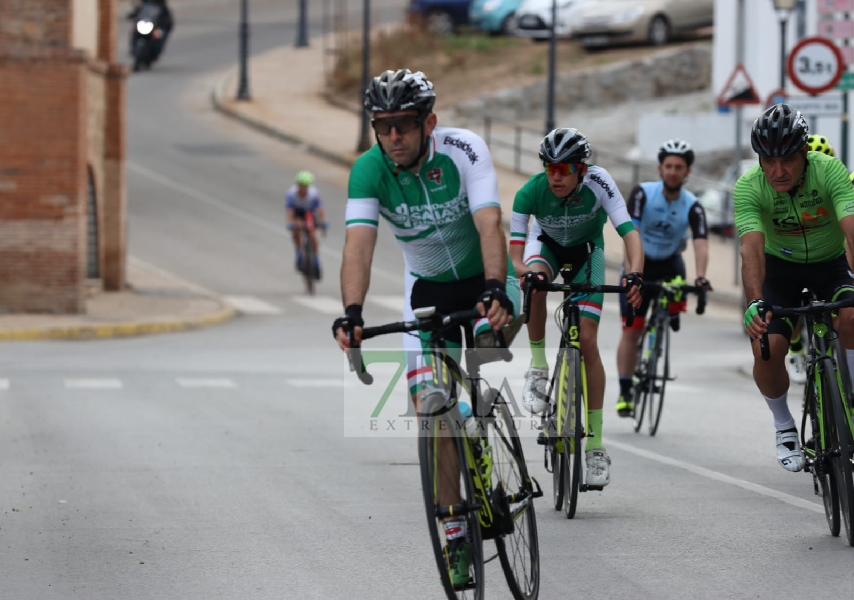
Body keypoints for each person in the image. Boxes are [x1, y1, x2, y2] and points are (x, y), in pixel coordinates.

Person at [331, 69, 522, 587]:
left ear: (428, 122)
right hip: (429, 291)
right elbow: (358, 245)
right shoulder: (368, 171)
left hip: (487, 279)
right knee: (431, 410)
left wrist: (495, 288)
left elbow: (489, 224)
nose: (394, 136)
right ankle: (456, 531)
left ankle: (488, 431)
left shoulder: (464, 150)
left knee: (486, 343)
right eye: (383, 125)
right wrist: (352, 312)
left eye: (404, 125)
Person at [509, 127, 644, 489]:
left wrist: (634, 275)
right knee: (535, 284)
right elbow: (514, 257)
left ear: (582, 170)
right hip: (546, 247)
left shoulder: (600, 182)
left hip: (588, 254)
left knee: (587, 342)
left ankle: (596, 448)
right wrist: (525, 275)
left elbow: (629, 233)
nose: (555, 176)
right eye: (550, 167)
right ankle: (538, 368)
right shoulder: (530, 192)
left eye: (564, 169)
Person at [738, 103, 854, 473]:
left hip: (831, 264)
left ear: (804, 152)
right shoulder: (749, 187)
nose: (778, 171)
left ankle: (850, 397)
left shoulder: (830, 171)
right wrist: (755, 301)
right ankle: (784, 425)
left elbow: (852, 230)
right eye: (768, 161)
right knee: (767, 348)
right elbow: (751, 248)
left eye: (787, 159)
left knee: (851, 317)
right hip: (780, 269)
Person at [614, 139, 712, 417]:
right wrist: (631, 271)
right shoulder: (643, 193)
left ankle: (671, 316)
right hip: (640, 263)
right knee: (631, 330)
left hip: (671, 265)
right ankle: (625, 390)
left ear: (687, 172)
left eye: (678, 167)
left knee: (678, 290)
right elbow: (629, 233)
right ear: (660, 168)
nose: (672, 171)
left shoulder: (693, 205)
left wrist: (702, 277)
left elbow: (701, 242)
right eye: (668, 166)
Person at [785, 134, 839, 385]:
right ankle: (795, 347)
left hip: (832, 257)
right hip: (795, 257)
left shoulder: (840, 182)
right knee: (792, 300)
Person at [285, 170, 328, 278]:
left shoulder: (314, 194)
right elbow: (290, 212)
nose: (302, 188)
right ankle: (299, 252)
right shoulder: (291, 194)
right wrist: (290, 223)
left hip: (309, 212)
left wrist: (323, 222)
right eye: (300, 185)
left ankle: (316, 259)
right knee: (296, 228)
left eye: (305, 186)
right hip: (298, 212)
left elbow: (320, 210)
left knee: (312, 232)